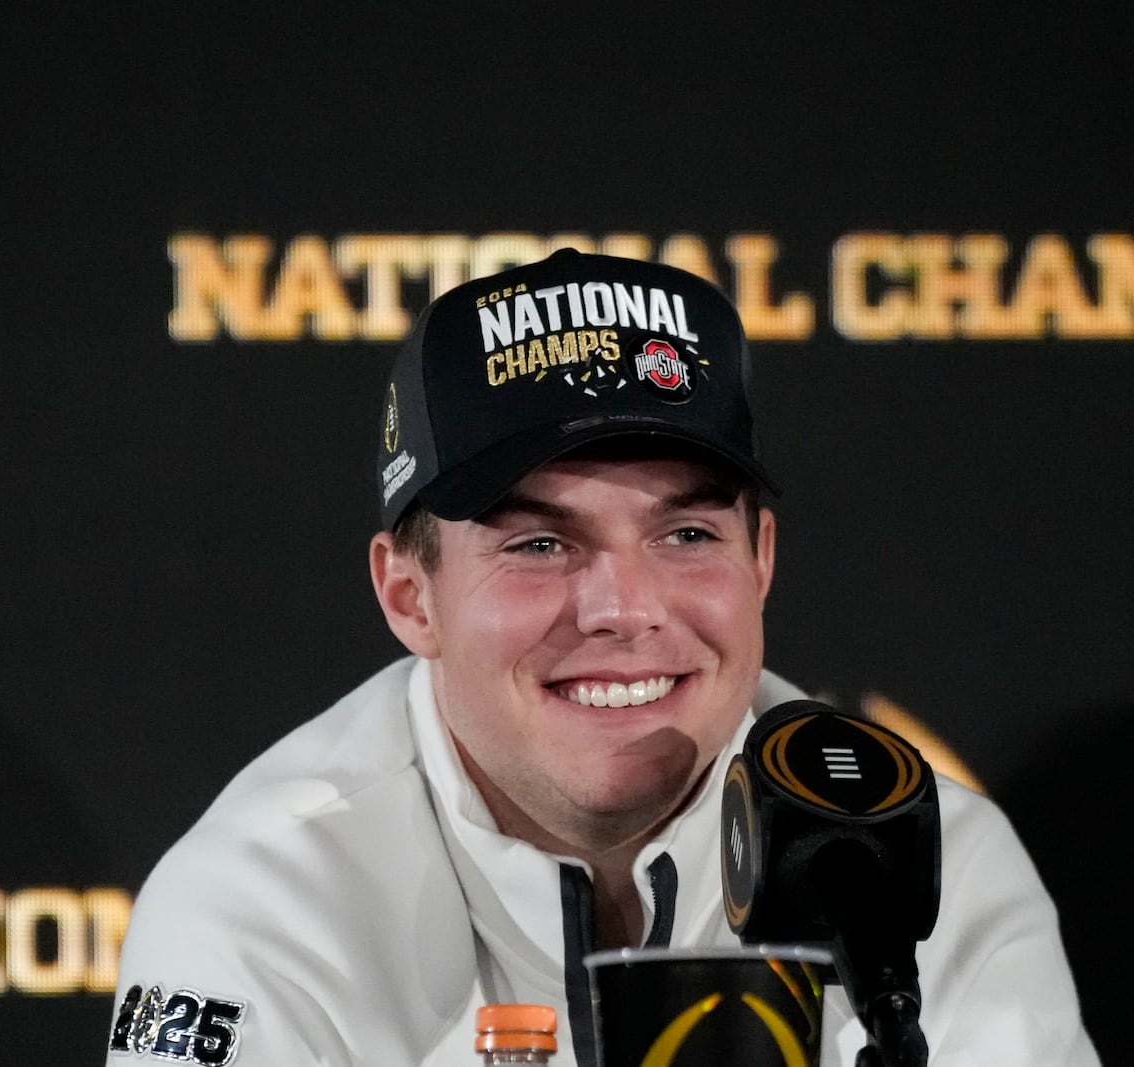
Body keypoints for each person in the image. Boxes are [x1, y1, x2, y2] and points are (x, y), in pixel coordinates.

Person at [104, 250, 1099, 1066]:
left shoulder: (922, 870)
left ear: (761, 560)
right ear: (409, 597)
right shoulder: (267, 900)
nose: (625, 609)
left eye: (686, 535)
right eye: (538, 543)